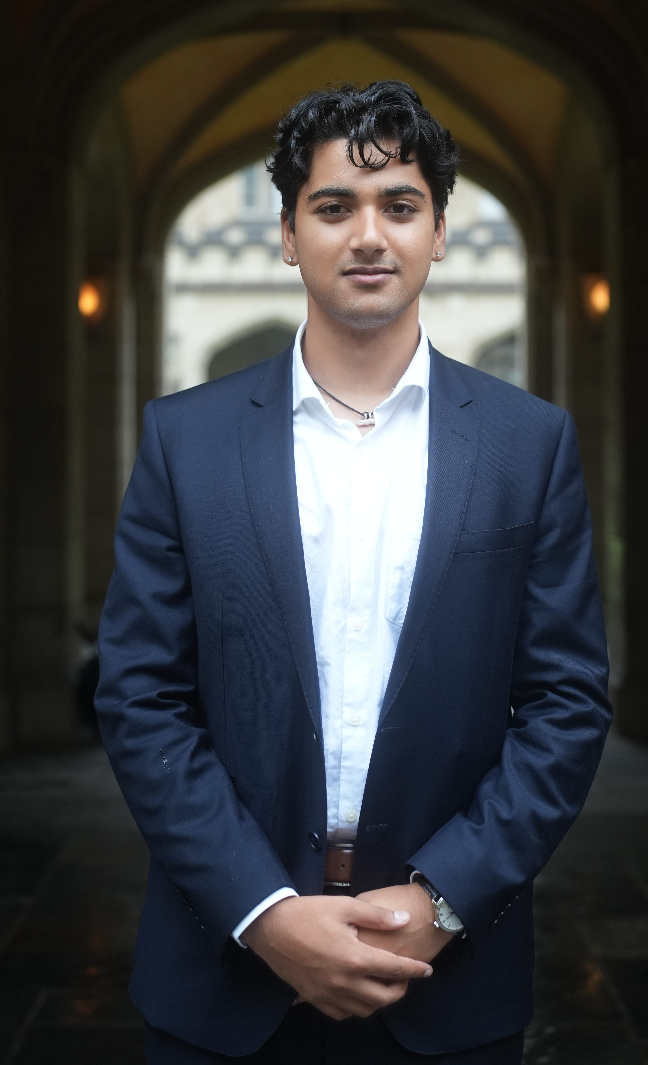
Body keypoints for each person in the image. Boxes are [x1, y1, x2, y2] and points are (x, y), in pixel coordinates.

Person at [96, 80, 612, 1065]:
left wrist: (444, 896)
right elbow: (140, 695)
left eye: (400, 205)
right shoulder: (184, 439)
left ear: (440, 231)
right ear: (288, 233)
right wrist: (261, 908)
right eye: (334, 206)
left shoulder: (527, 444)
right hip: (223, 975)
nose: (368, 234)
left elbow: (567, 702)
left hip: (445, 976)